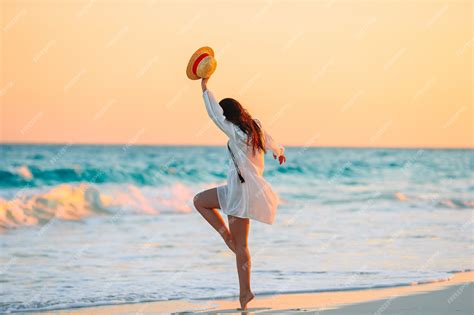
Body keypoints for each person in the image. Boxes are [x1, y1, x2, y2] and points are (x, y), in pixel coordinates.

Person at [193, 77, 286, 310]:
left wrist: (204, 87)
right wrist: (278, 152)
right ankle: (227, 238)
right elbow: (271, 141)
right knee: (200, 201)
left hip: (239, 191)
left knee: (242, 246)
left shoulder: (235, 131)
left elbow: (214, 115)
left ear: (229, 115)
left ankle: (245, 292)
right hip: (244, 189)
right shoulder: (255, 126)